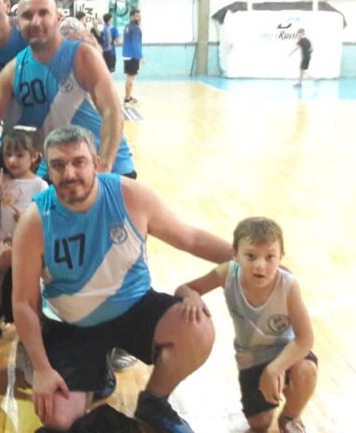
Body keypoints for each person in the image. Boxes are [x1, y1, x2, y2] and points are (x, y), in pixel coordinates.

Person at [12, 125, 233, 433]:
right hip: (73, 325)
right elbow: (24, 303)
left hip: (134, 307)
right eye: (58, 165)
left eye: (79, 162)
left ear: (97, 164)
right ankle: (101, 380)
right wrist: (42, 368)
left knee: (197, 330)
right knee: (58, 421)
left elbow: (191, 238)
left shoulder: (130, 196)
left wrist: (245, 256)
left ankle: (154, 402)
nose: (69, 173)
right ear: (46, 169)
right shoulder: (35, 220)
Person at [175, 217, 316, 433]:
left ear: (281, 257)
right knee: (259, 424)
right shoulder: (227, 273)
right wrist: (191, 296)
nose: (260, 265)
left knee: (307, 370)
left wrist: (275, 369)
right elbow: (185, 288)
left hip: (284, 352)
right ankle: (270, 399)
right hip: (251, 358)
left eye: (270, 257)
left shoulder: (288, 284)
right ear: (235, 254)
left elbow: (305, 339)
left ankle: (290, 416)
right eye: (250, 256)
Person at [0, 0, 134, 179]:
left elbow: (112, 112)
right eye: (27, 16)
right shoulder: (12, 71)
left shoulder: (83, 56)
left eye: (43, 13)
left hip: (107, 167)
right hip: (57, 169)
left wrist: (104, 166)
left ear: (58, 18)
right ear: (18, 24)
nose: (35, 22)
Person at [0, 127, 48, 350]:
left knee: (33, 290)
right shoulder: (2, 182)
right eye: (8, 154)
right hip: (2, 244)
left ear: (34, 157)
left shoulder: (39, 185)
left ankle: (38, 331)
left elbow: (46, 219)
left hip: (27, 248)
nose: (12, 160)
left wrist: (27, 221)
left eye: (19, 155)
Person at [122, 9, 142, 104]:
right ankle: (127, 98)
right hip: (132, 56)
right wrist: (140, 56)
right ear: (132, 16)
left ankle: (128, 96)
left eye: (140, 16)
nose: (140, 18)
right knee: (131, 78)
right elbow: (135, 44)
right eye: (137, 16)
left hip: (126, 55)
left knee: (129, 77)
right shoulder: (135, 28)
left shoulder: (127, 26)